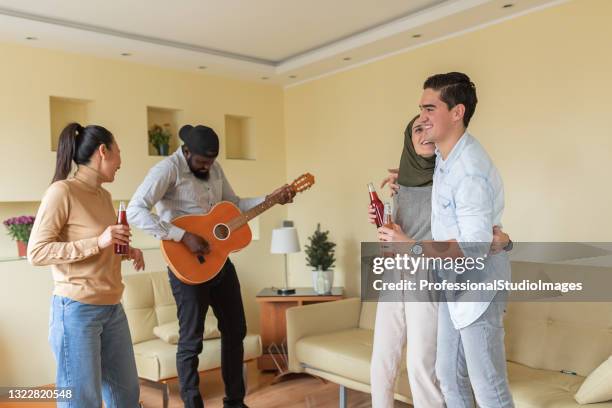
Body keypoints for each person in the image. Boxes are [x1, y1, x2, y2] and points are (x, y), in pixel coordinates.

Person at [127, 124, 294, 408]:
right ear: (187, 151)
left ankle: (235, 401)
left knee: (236, 329)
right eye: (202, 161)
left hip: (218, 261)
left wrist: (270, 199)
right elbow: (135, 210)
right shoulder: (166, 170)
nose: (208, 166)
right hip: (186, 266)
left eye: (212, 161)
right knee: (191, 340)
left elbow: (235, 205)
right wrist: (182, 235)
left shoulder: (214, 170)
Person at [378, 72, 515, 407]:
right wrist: (402, 179)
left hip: (477, 289)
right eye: (421, 109)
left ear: (457, 113)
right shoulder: (445, 155)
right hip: (452, 284)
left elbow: (473, 248)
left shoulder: (469, 170)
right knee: (449, 378)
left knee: (488, 387)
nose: (422, 118)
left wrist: (408, 244)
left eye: (430, 109)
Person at [28, 122, 145, 407]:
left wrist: (127, 250)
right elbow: (37, 252)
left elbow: (102, 244)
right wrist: (99, 241)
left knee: (127, 397)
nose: (121, 161)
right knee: (82, 401)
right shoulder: (62, 192)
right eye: (118, 153)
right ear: (102, 152)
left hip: (113, 308)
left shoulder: (104, 196)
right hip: (76, 311)